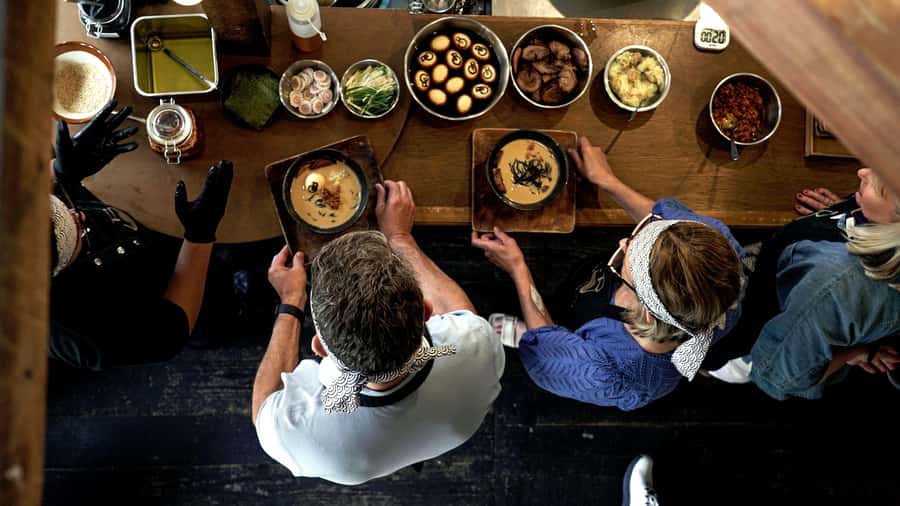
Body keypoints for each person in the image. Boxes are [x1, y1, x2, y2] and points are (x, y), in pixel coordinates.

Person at [251, 180, 505, 485]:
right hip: (447, 423)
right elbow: (462, 316)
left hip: (368, 456)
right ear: (425, 312)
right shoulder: (475, 348)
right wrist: (400, 237)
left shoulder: (300, 436)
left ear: (320, 348)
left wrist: (291, 302)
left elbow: (263, 408)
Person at [471, 136, 745, 411]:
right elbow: (665, 220)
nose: (623, 243)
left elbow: (547, 356)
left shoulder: (608, 373)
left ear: (647, 312)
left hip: (579, 335)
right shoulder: (718, 257)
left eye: (626, 259)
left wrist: (518, 269)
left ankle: (533, 333)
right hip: (592, 288)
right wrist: (608, 181)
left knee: (543, 339)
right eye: (642, 232)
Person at [50, 100, 234, 370]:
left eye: (58, 208)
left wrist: (60, 173)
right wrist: (199, 235)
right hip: (161, 294)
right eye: (74, 230)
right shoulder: (80, 333)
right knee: (218, 307)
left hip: (145, 238)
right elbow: (170, 332)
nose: (79, 214)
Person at [708, 168, 900, 394]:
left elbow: (778, 376)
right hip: (759, 277)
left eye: (880, 187)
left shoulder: (834, 288)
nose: (862, 172)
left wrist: (855, 352)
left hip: (744, 342)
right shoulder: (880, 219)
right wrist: (852, 213)